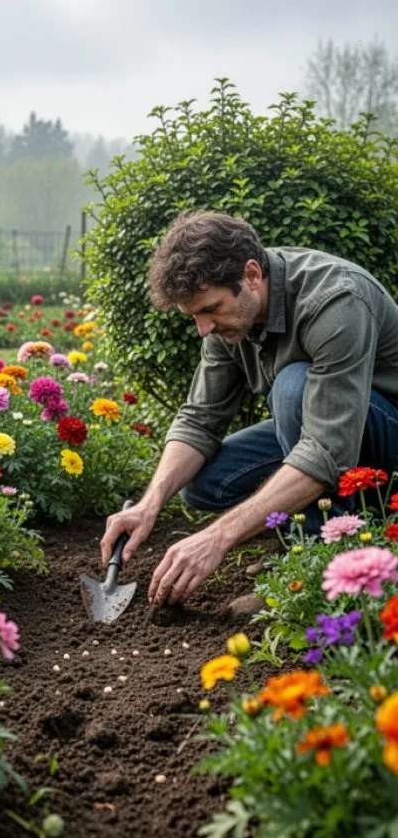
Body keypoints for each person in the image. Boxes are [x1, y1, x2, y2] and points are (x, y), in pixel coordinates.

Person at [99, 210, 398, 606]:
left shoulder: (335, 300)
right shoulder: (231, 319)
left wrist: (218, 537)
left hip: (384, 435)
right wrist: (149, 503)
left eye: (210, 310)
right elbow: (199, 420)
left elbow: (327, 448)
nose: (203, 329)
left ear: (252, 275)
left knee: (293, 387)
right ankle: (306, 526)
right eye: (194, 317)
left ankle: (315, 566)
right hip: (333, 429)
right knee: (205, 482)